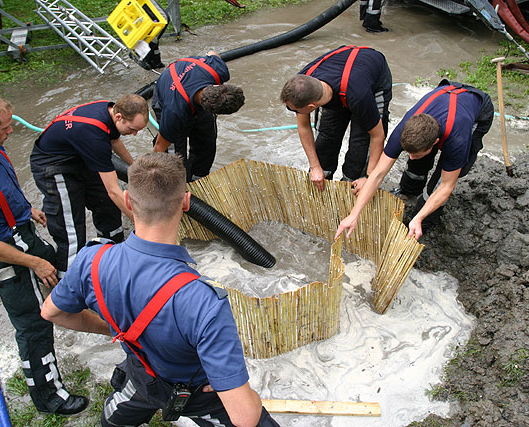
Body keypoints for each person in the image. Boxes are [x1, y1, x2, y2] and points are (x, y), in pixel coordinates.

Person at [40, 152, 279, 427]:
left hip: (141, 378)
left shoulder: (91, 261)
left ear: (127, 200)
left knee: (114, 420)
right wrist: (250, 396)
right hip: (198, 396)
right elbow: (244, 418)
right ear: (186, 203)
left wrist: (113, 328)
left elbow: (52, 313)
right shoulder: (203, 302)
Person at [0, 91, 88, 415]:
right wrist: (35, 263)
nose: (11, 132)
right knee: (32, 323)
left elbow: (4, 188)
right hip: (5, 253)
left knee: (56, 267)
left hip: (20, 231)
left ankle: (72, 318)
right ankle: (49, 396)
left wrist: (27, 210)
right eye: (5, 128)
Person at [336, 80, 494, 240]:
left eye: (415, 153)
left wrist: (418, 218)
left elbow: (447, 186)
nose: (410, 157)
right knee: (418, 161)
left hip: (476, 113)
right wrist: (354, 215)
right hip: (446, 95)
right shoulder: (403, 131)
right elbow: (378, 173)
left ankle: (424, 223)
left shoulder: (457, 140)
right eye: (408, 152)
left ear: (435, 143)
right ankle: (410, 191)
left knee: (443, 179)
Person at [30, 94, 148, 276]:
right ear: (119, 117)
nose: (134, 134)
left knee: (107, 206)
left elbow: (114, 139)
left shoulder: (109, 109)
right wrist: (142, 224)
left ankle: (111, 249)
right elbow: (114, 192)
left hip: (81, 156)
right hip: (54, 166)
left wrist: (134, 167)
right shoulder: (93, 136)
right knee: (71, 227)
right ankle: (69, 282)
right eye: (132, 129)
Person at [280, 45, 392, 191]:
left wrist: (369, 178)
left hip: (371, 83)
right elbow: (304, 126)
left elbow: (377, 136)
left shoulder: (359, 96)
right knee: (326, 139)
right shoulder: (301, 84)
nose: (293, 111)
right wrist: (315, 167)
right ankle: (320, 184)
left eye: (294, 110)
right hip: (345, 81)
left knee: (360, 146)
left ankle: (351, 186)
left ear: (312, 107)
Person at [152, 51, 245, 181]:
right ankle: (180, 184)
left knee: (207, 142)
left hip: (193, 88)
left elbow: (212, 53)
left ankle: (198, 179)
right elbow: (159, 147)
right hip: (168, 94)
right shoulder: (174, 113)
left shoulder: (218, 70)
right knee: (174, 157)